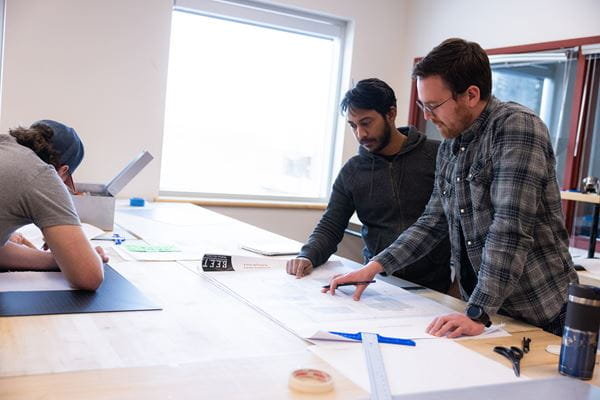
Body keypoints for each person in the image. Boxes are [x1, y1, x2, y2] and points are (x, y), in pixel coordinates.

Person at [323, 39, 578, 337]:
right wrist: (376, 266)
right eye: (423, 106)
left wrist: (478, 311)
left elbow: (509, 227)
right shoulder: (450, 147)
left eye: (433, 106)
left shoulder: (516, 127)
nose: (427, 116)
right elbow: (433, 222)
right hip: (487, 311)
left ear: (471, 95)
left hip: (540, 310)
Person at [287, 78, 451, 293]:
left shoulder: (438, 155)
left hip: (433, 288)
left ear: (391, 114)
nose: (360, 134)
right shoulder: (353, 171)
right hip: (376, 283)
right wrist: (307, 255)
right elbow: (331, 224)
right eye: (353, 126)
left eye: (366, 123)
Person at [0, 120, 106, 290]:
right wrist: (81, 258)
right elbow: (89, 276)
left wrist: (61, 259)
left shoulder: (5, 146)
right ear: (63, 171)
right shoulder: (41, 173)